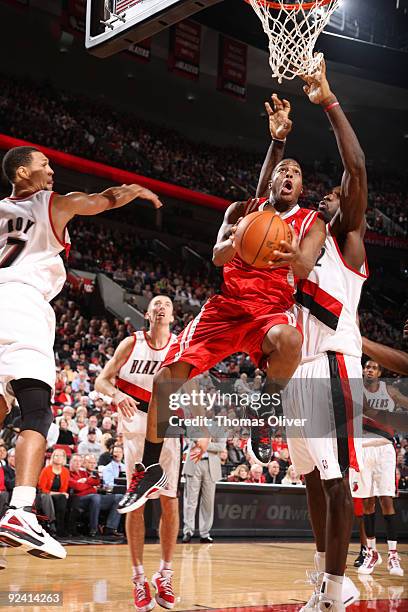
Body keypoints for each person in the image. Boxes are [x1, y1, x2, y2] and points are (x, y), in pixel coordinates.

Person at [123, 97, 327, 511]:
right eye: (282, 170)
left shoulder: (311, 221)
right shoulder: (242, 211)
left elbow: (305, 266)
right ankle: (149, 468)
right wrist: (235, 240)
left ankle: (265, 414)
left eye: (296, 174)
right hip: (228, 306)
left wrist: (290, 257)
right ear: (269, 181)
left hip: (270, 309)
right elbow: (217, 256)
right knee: (166, 380)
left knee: (290, 340)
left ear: (302, 189)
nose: (287, 175)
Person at [0, 145, 162, 559]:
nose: (51, 171)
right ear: (21, 172)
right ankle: (21, 510)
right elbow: (98, 201)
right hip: (23, 304)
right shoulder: (46, 203)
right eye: (43, 164)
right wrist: (132, 190)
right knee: (36, 410)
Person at [269, 61, 367, 611]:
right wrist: (277, 143)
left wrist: (328, 103)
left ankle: (336, 590)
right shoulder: (297, 238)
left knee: (335, 484)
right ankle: (326, 576)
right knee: (308, 480)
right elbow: (266, 206)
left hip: (331, 364)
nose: (327, 195)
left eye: (333, 193)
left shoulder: (346, 241)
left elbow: (357, 166)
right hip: (298, 373)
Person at [95, 295, 180, 611]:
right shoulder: (131, 344)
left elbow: (191, 387)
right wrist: (116, 395)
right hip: (133, 428)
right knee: (137, 503)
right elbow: (102, 380)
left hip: (168, 427)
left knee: (170, 502)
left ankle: (166, 575)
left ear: (172, 315)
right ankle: (138, 578)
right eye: (156, 303)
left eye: (166, 304)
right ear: (147, 313)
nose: (160, 307)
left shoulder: (179, 344)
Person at [350, 360, 408, 577]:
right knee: (367, 502)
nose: (369, 370)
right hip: (361, 447)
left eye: (373, 367)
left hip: (384, 447)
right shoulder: (355, 390)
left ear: (380, 372)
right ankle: (371, 553)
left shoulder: (389, 391)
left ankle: (393, 555)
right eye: (366, 367)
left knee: (386, 500)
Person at [182, 437, 225, 543]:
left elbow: (221, 446)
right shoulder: (195, 421)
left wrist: (204, 444)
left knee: (208, 502)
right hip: (194, 461)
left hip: (211, 465)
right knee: (190, 501)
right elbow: (190, 438)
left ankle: (205, 533)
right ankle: (188, 531)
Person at [68, 453, 121, 537]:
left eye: (79, 461)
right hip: (79, 499)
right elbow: (78, 487)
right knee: (95, 497)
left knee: (119, 497)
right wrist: (92, 488)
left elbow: (96, 481)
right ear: (70, 462)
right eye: (75, 461)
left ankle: (110, 528)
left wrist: (85, 480)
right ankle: (94, 529)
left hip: (94, 498)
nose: (78, 463)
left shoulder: (83, 472)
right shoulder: (67, 473)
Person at [37, 448, 70, 537]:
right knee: (47, 497)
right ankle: (51, 523)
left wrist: (60, 494)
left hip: (58, 496)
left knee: (64, 498)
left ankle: (61, 527)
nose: (59, 457)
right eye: (56, 455)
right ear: (53, 457)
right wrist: (56, 493)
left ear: (64, 458)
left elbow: (64, 489)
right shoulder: (46, 470)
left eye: (61, 456)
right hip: (44, 495)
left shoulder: (66, 471)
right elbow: (42, 488)